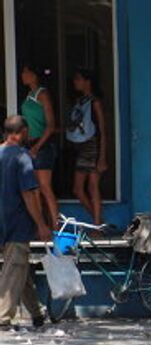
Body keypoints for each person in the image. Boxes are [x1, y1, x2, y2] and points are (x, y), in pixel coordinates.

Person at [0, 116, 52, 329]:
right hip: (17, 223)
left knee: (19, 268)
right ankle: (3, 317)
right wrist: (40, 223)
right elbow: (29, 195)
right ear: (21, 132)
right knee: (15, 269)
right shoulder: (22, 157)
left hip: (2, 222)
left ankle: (37, 313)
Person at [67, 67, 109, 227]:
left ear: (87, 82)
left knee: (92, 186)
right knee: (78, 189)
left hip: (93, 146)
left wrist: (103, 156)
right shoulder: (80, 102)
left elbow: (103, 131)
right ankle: (99, 223)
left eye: (78, 79)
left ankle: (97, 225)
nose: (75, 82)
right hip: (82, 147)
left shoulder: (95, 102)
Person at [20, 64, 58, 227]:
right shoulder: (29, 95)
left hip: (42, 145)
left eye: (26, 71)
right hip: (30, 145)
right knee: (34, 189)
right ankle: (41, 226)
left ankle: (57, 227)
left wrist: (37, 147)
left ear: (34, 75)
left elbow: (50, 125)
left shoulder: (42, 94)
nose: (23, 75)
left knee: (44, 187)